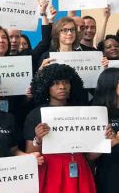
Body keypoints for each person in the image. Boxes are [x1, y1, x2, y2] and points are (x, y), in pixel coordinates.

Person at [24, 64, 98, 193]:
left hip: (79, 167)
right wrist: (38, 139)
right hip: (51, 170)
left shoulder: (82, 111)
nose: (62, 87)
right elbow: (31, 154)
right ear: (46, 86)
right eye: (56, 83)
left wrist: (105, 140)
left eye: (66, 82)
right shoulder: (36, 114)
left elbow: (90, 155)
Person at [92, 68, 119, 193]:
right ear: (110, 83)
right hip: (109, 173)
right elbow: (89, 156)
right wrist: (110, 143)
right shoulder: (95, 112)